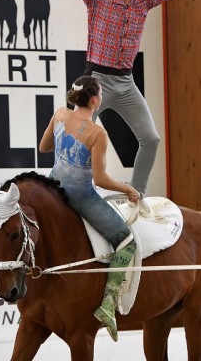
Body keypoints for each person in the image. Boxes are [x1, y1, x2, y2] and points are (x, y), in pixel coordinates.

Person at [67, 0, 201, 196]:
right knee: (79, 136)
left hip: (126, 83)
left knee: (151, 139)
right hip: (96, 81)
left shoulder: (144, 2)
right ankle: (74, 190)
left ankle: (137, 194)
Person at [39, 74, 139, 342]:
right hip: (80, 196)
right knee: (126, 242)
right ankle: (107, 304)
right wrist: (128, 188)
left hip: (53, 190)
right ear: (95, 100)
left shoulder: (59, 114)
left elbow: (44, 146)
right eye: (102, 95)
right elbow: (100, 180)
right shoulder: (97, 133)